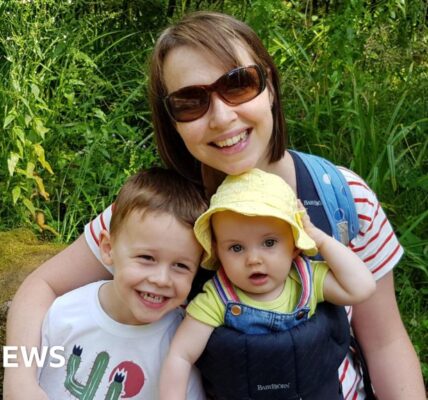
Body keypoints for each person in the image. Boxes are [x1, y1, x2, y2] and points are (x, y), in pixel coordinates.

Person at [5, 10, 425, 400]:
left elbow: (385, 343)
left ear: (269, 86)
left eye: (238, 83)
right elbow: (41, 287)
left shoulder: (343, 199)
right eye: (191, 101)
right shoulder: (157, 211)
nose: (222, 117)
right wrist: (19, 378)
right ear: (171, 122)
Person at [160, 168, 376, 400]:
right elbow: (181, 355)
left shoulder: (306, 280)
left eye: (269, 243)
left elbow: (361, 287)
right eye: (236, 248)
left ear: (295, 246)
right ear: (218, 253)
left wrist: (320, 238)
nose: (253, 259)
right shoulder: (218, 298)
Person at [38, 167, 207, 399]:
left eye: (181, 265)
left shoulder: (180, 345)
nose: (161, 279)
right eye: (146, 258)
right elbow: (23, 364)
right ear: (108, 249)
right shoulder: (65, 313)